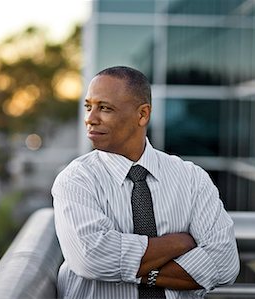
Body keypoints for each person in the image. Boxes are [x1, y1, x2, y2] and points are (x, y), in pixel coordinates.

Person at [52, 66, 240, 299]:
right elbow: (91, 258)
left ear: (142, 114)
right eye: (89, 107)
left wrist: (143, 273)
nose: (90, 119)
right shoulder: (76, 179)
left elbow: (224, 264)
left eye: (105, 108)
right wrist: (176, 243)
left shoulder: (191, 178)